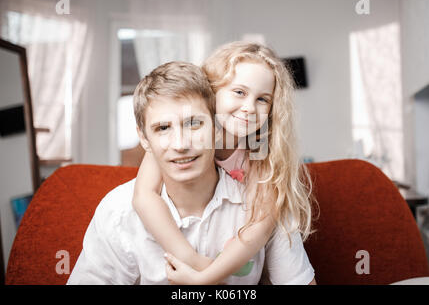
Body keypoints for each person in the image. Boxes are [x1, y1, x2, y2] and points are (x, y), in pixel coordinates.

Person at [67, 61, 315, 285]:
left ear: (218, 128)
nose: (180, 144)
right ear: (144, 138)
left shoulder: (262, 197)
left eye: (194, 123)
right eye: (162, 128)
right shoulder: (118, 211)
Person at [132, 41, 317, 285]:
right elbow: (143, 197)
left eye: (263, 99)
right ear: (211, 92)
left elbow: (259, 227)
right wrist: (193, 260)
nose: (249, 108)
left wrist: (205, 278)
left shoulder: (257, 146)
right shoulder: (178, 141)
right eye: (239, 92)